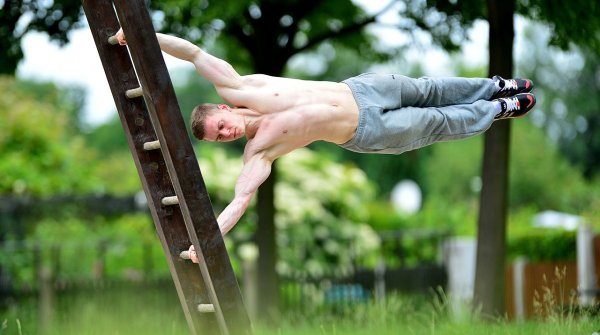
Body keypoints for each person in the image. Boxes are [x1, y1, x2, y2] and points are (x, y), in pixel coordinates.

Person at [116, 30, 535, 263]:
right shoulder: (259, 152)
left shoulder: (242, 85)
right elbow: (239, 201)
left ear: (223, 107)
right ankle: (498, 109)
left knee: (429, 90)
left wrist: (137, 36)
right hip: (367, 130)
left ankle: (495, 86)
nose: (226, 134)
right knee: (435, 121)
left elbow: (191, 52)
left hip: (361, 89)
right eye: (219, 137)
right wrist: (205, 243)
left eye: (221, 125)